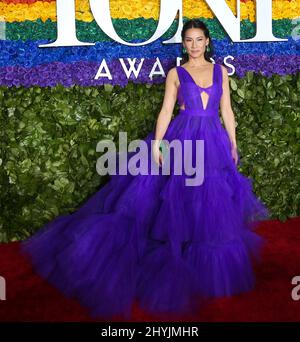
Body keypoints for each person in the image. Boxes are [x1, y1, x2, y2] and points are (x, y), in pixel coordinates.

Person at [21, 19, 269, 320]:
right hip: (183, 138)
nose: (193, 45)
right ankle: (178, 255)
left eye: (198, 39)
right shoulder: (176, 74)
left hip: (213, 141)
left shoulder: (221, 72)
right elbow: (166, 109)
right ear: (184, 44)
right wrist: (158, 144)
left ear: (207, 42)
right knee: (178, 198)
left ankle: (204, 268)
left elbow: (227, 110)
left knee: (210, 201)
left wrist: (232, 142)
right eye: (188, 40)